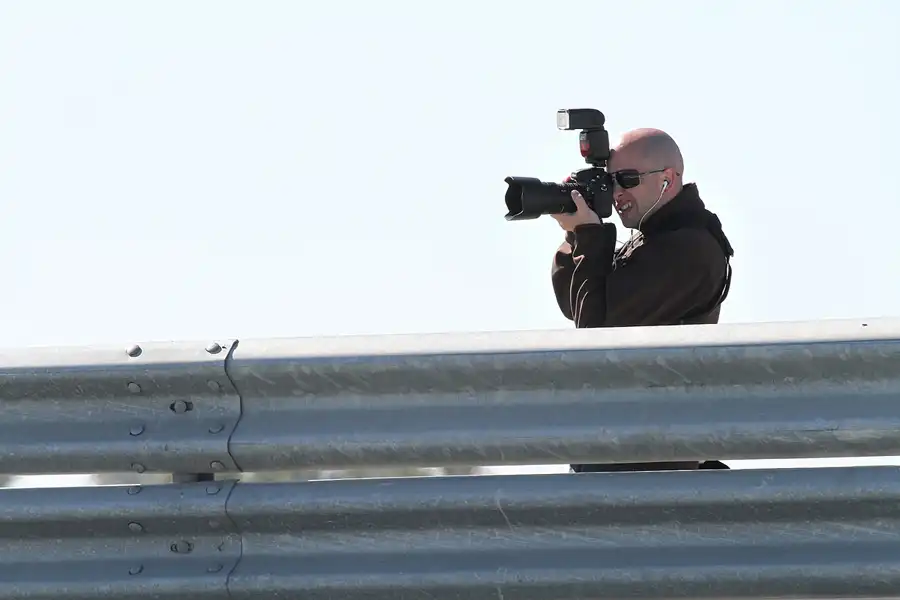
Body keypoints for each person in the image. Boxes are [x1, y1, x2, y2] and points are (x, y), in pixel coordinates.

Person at [551, 127, 734, 473]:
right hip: (625, 453)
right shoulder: (654, 240)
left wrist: (590, 236)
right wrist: (575, 236)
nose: (617, 192)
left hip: (654, 465)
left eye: (628, 179)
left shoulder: (688, 247)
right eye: (611, 181)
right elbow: (575, 305)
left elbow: (598, 333)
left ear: (667, 178)